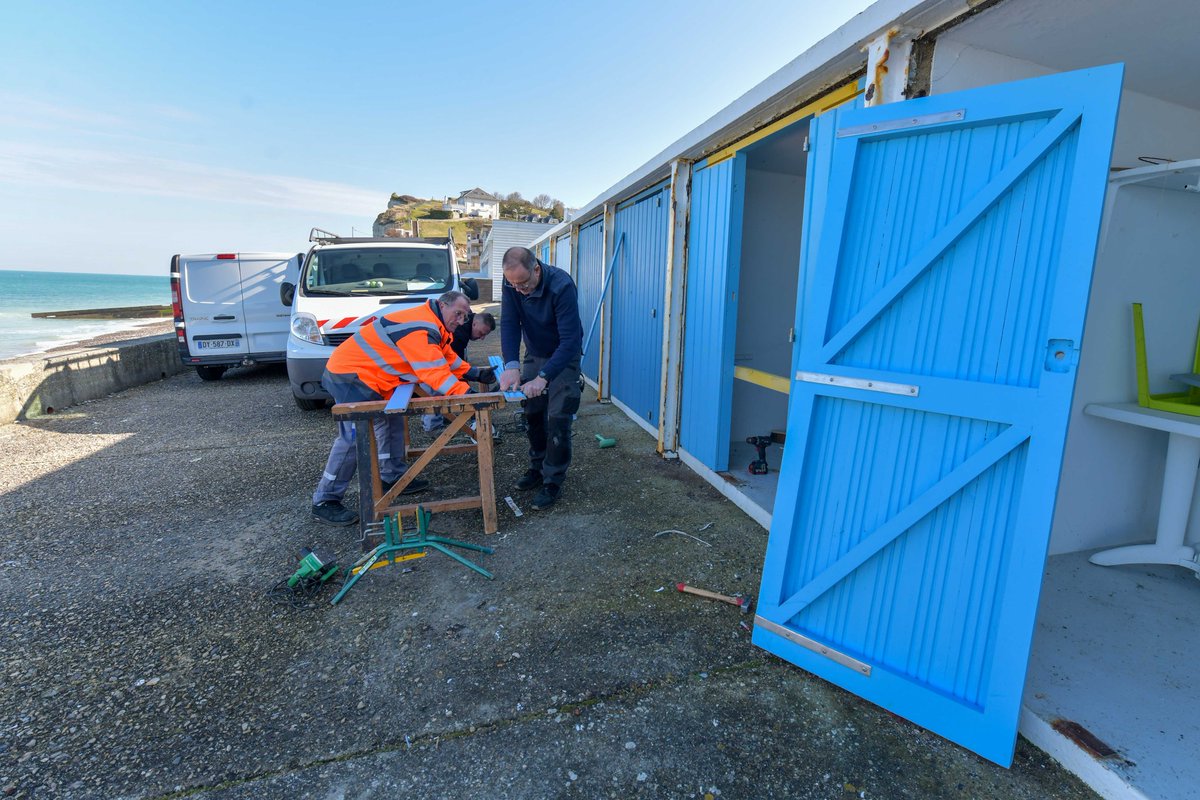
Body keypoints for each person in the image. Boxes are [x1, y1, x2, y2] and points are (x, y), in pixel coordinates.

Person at [311, 291, 494, 526]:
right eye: (458, 314)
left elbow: (447, 359)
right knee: (354, 439)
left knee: (392, 420)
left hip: (374, 377)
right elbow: (433, 372)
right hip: (350, 376)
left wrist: (475, 373)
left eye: (465, 316)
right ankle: (325, 500)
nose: (460, 321)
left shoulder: (434, 324)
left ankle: (392, 476)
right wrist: (468, 395)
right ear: (442, 305)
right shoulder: (421, 327)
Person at [498, 246, 583, 509]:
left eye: (523, 284)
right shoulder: (511, 282)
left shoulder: (561, 285)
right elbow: (510, 323)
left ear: (536, 269)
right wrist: (511, 365)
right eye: (514, 285)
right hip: (535, 353)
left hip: (563, 355)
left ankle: (553, 481)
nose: (520, 290)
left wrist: (544, 377)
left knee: (558, 417)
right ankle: (537, 467)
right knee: (532, 412)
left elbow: (571, 340)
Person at [423, 311, 497, 432]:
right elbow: (454, 367)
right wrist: (471, 396)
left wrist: (476, 375)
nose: (482, 338)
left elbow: (458, 364)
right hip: (428, 367)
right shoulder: (460, 333)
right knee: (437, 388)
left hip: (434, 364)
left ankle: (446, 415)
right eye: (481, 333)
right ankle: (433, 427)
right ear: (475, 324)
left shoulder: (465, 325)